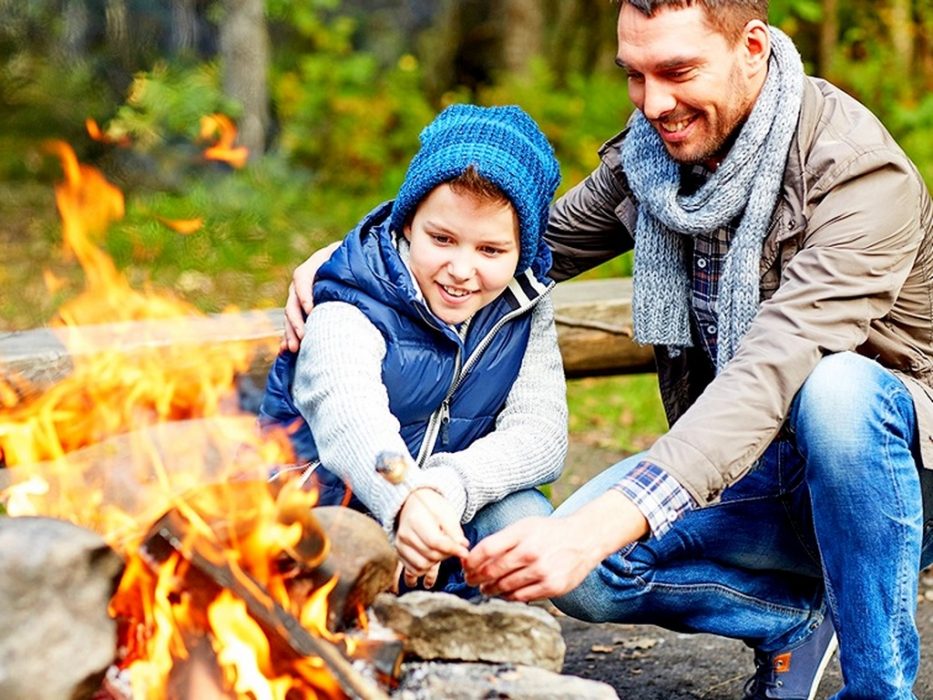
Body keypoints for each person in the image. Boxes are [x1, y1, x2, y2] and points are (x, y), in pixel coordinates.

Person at [284, 1, 933, 697]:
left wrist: (597, 527)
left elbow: (773, 370)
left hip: (892, 481)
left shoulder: (859, 180)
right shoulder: (653, 159)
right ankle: (789, 621)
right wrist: (363, 256)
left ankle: (876, 686)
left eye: (677, 71)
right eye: (635, 74)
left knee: (837, 391)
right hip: (750, 465)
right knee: (580, 573)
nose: (654, 103)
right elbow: (527, 247)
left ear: (751, 47)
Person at [260, 104, 567, 596]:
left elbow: (542, 437)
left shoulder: (520, 308)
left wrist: (444, 489)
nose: (461, 269)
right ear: (407, 224)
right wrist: (406, 497)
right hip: (324, 510)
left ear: (520, 252)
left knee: (524, 516)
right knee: (329, 549)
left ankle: (470, 623)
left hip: (443, 509)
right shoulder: (350, 300)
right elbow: (353, 419)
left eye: (490, 251)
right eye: (442, 239)